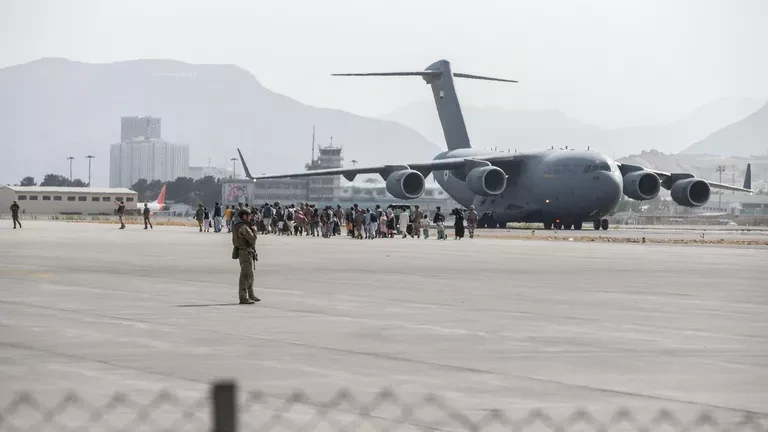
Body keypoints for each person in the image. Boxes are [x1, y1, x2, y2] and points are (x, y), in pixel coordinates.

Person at [231, 209, 260, 304]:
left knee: (250, 275)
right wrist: (254, 230)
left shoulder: (239, 225)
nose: (250, 217)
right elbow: (252, 239)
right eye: (249, 216)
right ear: (244, 216)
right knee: (245, 275)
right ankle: (243, 297)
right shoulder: (243, 227)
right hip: (245, 253)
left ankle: (251, 294)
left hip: (245, 252)